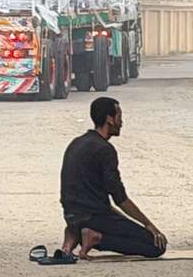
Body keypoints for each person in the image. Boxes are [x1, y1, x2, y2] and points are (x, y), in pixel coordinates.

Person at [58, 97, 167, 259]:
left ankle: (74, 234)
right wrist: (149, 225)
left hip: (71, 215)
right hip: (93, 217)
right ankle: (95, 237)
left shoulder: (77, 142)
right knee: (155, 245)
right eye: (119, 117)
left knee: (121, 225)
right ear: (109, 119)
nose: (121, 123)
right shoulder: (105, 149)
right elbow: (120, 198)